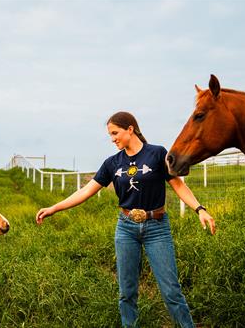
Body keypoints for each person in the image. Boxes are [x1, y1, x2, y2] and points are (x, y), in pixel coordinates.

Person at [36, 111, 216, 327]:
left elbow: (178, 184)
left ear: (130, 129)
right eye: (110, 135)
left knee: (171, 290)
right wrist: (54, 208)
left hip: (156, 227)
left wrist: (200, 209)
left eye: (115, 133)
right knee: (127, 292)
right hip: (126, 229)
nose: (113, 139)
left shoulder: (157, 154)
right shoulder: (112, 163)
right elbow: (85, 192)